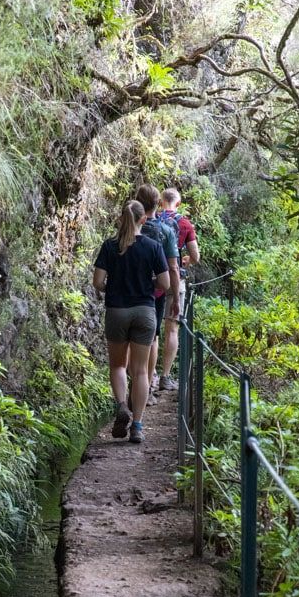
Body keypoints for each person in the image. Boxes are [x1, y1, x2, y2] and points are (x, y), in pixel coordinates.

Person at [93, 201, 170, 444]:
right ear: (143, 220)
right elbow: (165, 284)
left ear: (121, 219)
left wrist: (112, 288)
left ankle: (121, 406)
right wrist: (149, 286)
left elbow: (97, 282)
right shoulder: (153, 247)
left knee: (117, 366)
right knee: (140, 371)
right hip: (145, 312)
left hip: (116, 310)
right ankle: (137, 426)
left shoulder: (109, 246)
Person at [134, 184, 181, 398]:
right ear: (157, 204)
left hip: (128, 290)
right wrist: (175, 296)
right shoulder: (167, 231)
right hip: (156, 293)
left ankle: (132, 388)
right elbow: (172, 267)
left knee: (128, 341)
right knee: (152, 337)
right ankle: (149, 385)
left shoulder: (129, 227)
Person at [157, 187, 200, 389]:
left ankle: (149, 378)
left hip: (154, 278)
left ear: (160, 202)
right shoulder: (184, 223)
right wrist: (187, 260)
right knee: (172, 329)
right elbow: (196, 256)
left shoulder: (152, 220)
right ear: (179, 203)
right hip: (176, 280)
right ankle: (165, 376)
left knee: (152, 331)